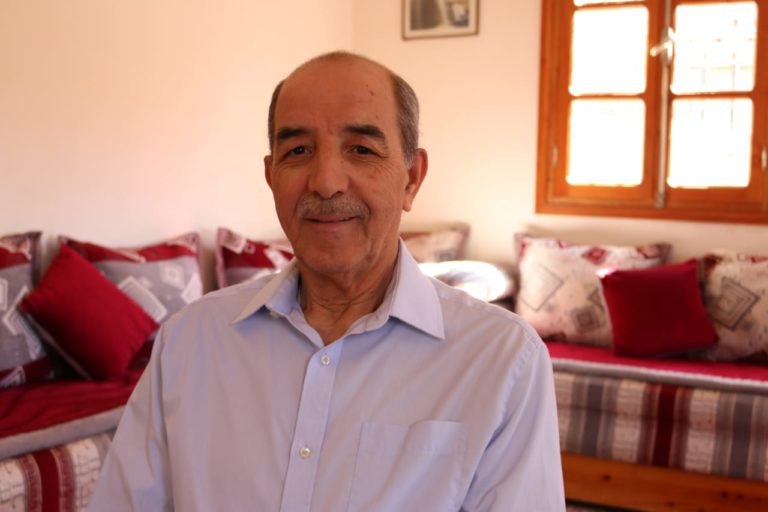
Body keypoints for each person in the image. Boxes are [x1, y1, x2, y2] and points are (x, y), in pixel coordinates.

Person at [88, 51, 565, 511]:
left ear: (411, 178)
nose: (326, 182)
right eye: (298, 151)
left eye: (361, 149)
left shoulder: (502, 360)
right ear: (271, 176)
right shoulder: (190, 342)